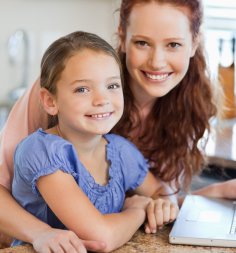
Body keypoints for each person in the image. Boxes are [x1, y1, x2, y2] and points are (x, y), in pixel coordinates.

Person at [0, 0, 236, 252]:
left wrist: (212, 194)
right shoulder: (61, 90)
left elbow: (160, 199)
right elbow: (103, 233)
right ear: (122, 35)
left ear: (194, 43)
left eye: (173, 45)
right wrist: (39, 232)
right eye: (142, 42)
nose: (157, 61)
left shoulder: (134, 140)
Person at [11, 31, 178, 252]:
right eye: (82, 89)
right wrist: (138, 210)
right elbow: (101, 239)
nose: (102, 100)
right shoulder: (43, 151)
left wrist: (162, 205)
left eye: (112, 86)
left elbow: (160, 190)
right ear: (50, 101)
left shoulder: (120, 150)